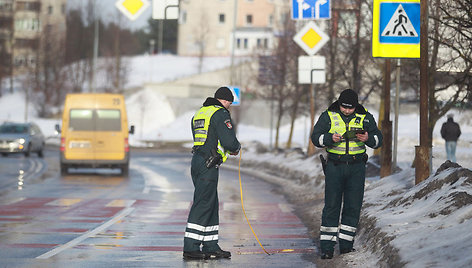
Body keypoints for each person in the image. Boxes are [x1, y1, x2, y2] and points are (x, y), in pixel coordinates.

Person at [311, 89, 383, 259]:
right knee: (331, 206)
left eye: (350, 108)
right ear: (340, 103)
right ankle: (327, 248)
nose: (347, 111)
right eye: (344, 107)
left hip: (357, 168)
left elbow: (379, 139)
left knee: (353, 206)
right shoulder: (328, 115)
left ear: (355, 106)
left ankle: (346, 246)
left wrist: (368, 138)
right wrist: (329, 138)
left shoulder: (365, 117)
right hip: (335, 166)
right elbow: (315, 137)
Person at [183, 86, 241, 260]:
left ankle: (210, 245)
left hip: (198, 161)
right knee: (203, 203)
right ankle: (191, 247)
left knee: (211, 203)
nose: (229, 106)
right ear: (224, 101)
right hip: (208, 163)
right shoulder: (220, 113)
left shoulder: (200, 113)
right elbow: (228, 140)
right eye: (229, 103)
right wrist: (236, 147)